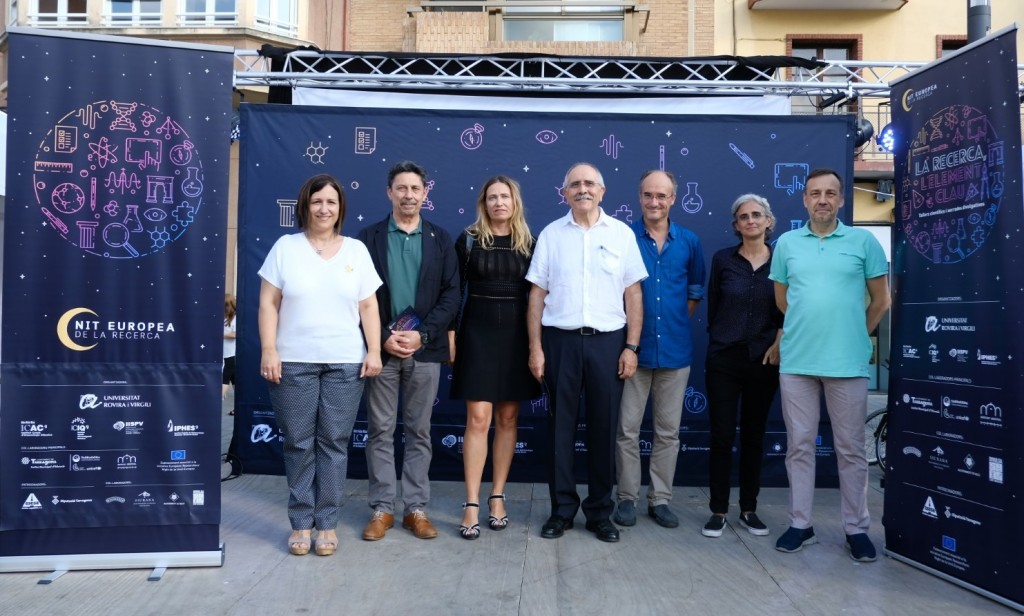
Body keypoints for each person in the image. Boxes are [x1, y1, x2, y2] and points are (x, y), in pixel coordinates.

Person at [257, 174, 383, 557]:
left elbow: (368, 306)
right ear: (305, 207)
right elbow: (268, 304)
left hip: (345, 362)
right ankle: (300, 523)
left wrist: (374, 350)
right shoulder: (285, 247)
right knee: (298, 444)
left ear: (340, 207)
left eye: (331, 202)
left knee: (334, 444)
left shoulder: (356, 251)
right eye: (317, 202)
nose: (324, 208)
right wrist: (268, 349)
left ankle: (327, 524)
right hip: (292, 361)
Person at [769, 168, 890, 562]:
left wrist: (854, 332)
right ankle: (800, 524)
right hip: (798, 362)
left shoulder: (863, 241)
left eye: (831, 193)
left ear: (841, 199)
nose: (823, 199)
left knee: (851, 450)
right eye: (815, 193)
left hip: (847, 363)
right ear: (804, 199)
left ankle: (856, 529)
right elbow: (783, 301)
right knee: (799, 446)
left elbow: (881, 300)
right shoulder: (787, 243)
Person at [526, 162, 648, 544]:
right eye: (575, 184)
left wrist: (631, 346)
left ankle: (599, 513)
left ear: (602, 191)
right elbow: (537, 295)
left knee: (603, 430)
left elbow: (633, 294)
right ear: (564, 193)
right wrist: (535, 348)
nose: (583, 189)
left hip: (608, 343)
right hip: (559, 342)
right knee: (559, 430)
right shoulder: (550, 234)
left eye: (589, 184)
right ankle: (562, 510)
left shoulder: (622, 234)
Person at [357, 161, 460, 541]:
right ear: (389, 193)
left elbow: (452, 295)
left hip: (425, 351)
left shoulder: (440, 239)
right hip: (381, 350)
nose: (408, 195)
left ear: (425, 193)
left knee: (419, 431)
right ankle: (382, 509)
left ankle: (415, 509)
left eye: (415, 188)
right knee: (380, 430)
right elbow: (356, 295)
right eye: (401, 188)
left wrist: (425, 335)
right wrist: (382, 336)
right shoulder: (367, 238)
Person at [449, 176, 540, 540]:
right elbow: (454, 292)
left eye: (505, 196)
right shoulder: (469, 239)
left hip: (517, 337)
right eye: (492, 197)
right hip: (477, 335)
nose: (499, 202)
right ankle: (471, 501)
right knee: (478, 417)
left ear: (515, 202)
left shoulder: (531, 244)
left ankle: (497, 496)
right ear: (483, 203)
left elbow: (539, 297)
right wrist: (452, 337)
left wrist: (537, 345)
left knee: (507, 416)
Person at [613, 170, 705, 530]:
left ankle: (661, 499)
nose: (655, 202)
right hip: (631, 351)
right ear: (640, 198)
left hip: (676, 353)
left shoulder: (690, 241)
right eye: (649, 195)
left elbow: (695, 291)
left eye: (662, 196)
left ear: (673, 199)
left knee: (668, 432)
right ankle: (626, 499)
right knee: (627, 431)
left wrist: (673, 323)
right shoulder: (623, 238)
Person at [702, 193, 783, 539]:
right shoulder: (723, 260)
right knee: (721, 437)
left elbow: (786, 307)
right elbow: (713, 309)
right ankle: (718, 510)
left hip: (764, 360)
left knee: (753, 436)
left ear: (768, 221)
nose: (750, 221)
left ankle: (748, 509)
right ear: (736, 225)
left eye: (757, 215)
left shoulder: (782, 260)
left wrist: (778, 344)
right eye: (743, 217)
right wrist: (721, 343)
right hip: (724, 358)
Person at [223, 293, 237, 414]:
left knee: (224, 378)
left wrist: (221, 335)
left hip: (231, 354)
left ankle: (216, 403)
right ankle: (238, 407)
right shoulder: (224, 318)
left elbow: (236, 334)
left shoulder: (235, 318)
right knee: (234, 381)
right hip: (224, 353)